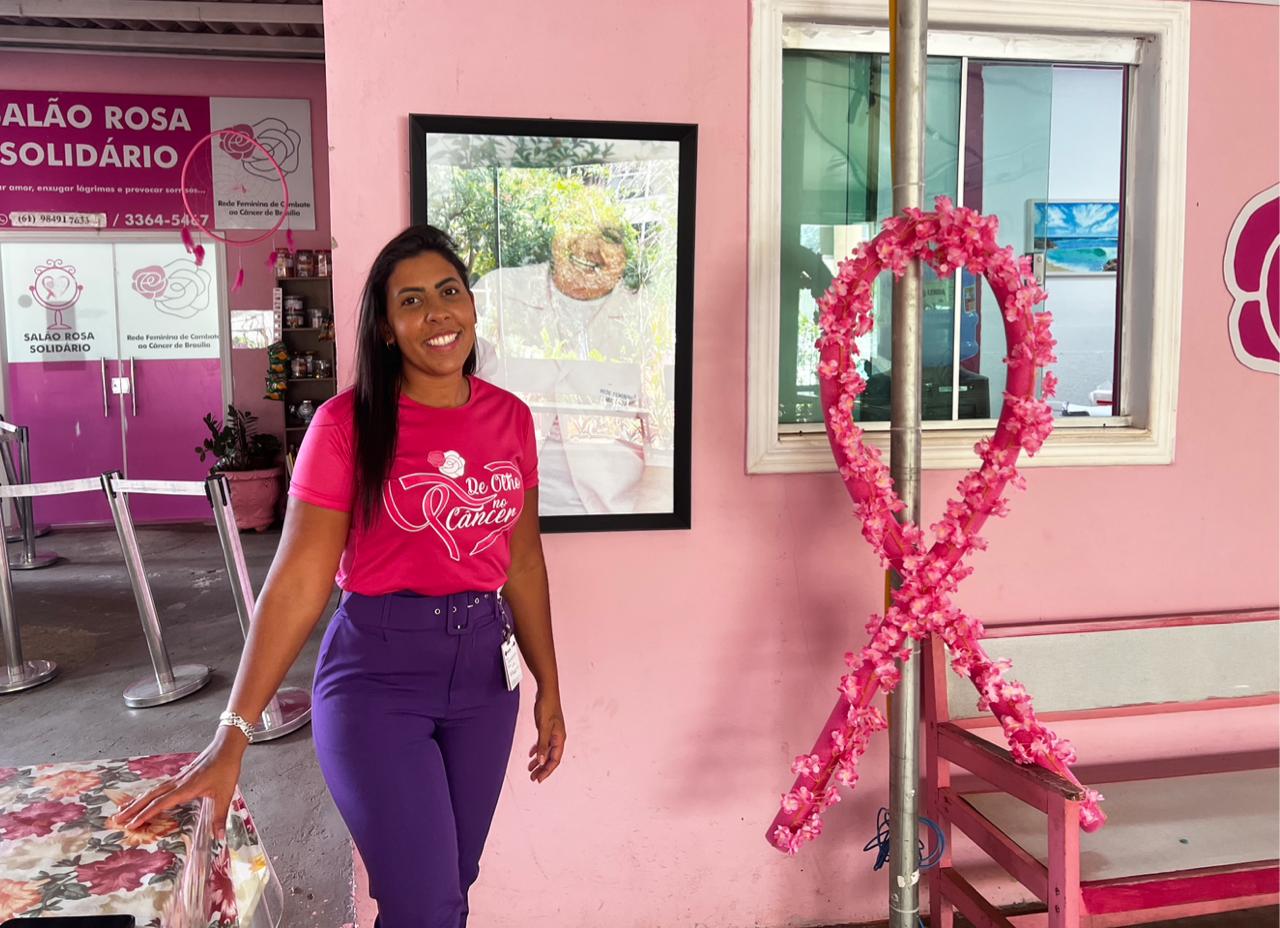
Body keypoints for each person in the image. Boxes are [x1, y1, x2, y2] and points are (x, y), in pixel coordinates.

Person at [114, 225, 566, 928]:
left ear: (471, 305)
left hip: (485, 676)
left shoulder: (510, 418)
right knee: (426, 907)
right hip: (377, 680)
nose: (437, 313)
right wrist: (233, 733)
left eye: (449, 291)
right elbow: (298, 582)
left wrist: (549, 688)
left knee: (450, 885)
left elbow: (525, 561)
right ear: (386, 328)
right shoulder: (345, 426)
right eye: (411, 301)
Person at [472, 186, 673, 516]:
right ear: (555, 238)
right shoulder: (499, 292)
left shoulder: (647, 319)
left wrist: (633, 535)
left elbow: (665, 457)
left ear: (625, 255)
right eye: (577, 225)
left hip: (610, 519)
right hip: (492, 517)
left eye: (609, 236)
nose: (590, 245)